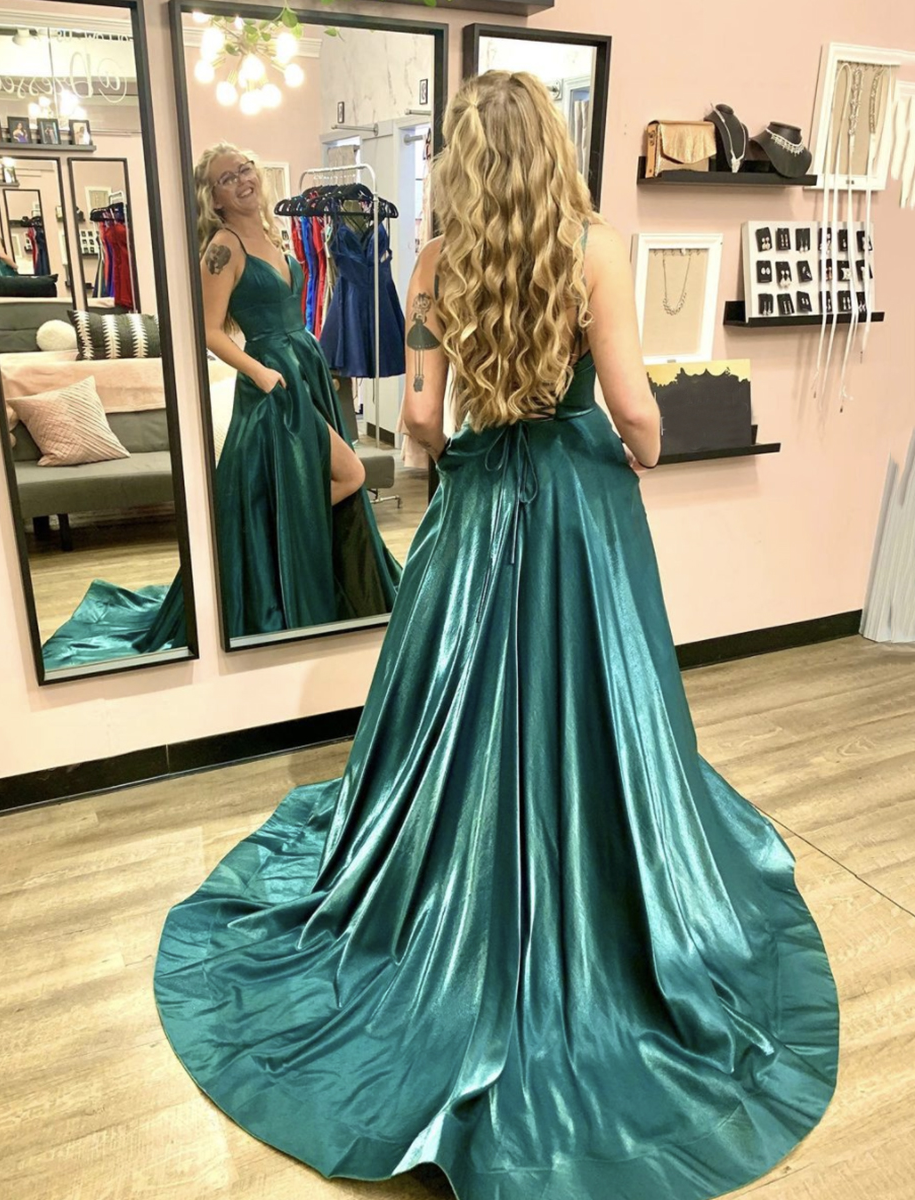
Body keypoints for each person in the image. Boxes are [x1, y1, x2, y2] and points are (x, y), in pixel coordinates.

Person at [153, 73, 839, 1200]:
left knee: (456, 712)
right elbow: (634, 407)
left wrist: (465, 441)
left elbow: (422, 420)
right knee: (594, 704)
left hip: (476, 512)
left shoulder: (434, 261)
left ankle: (450, 896)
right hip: (578, 510)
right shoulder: (594, 247)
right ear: (551, 150)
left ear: (463, 164)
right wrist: (645, 446)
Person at [39, 143, 399, 670]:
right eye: (227, 179)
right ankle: (277, 552)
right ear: (214, 198)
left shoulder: (273, 233)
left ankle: (280, 547)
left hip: (304, 366)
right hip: (274, 382)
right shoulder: (223, 248)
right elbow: (207, 329)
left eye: (245, 170)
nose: (242, 181)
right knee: (348, 473)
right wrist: (259, 372)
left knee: (308, 479)